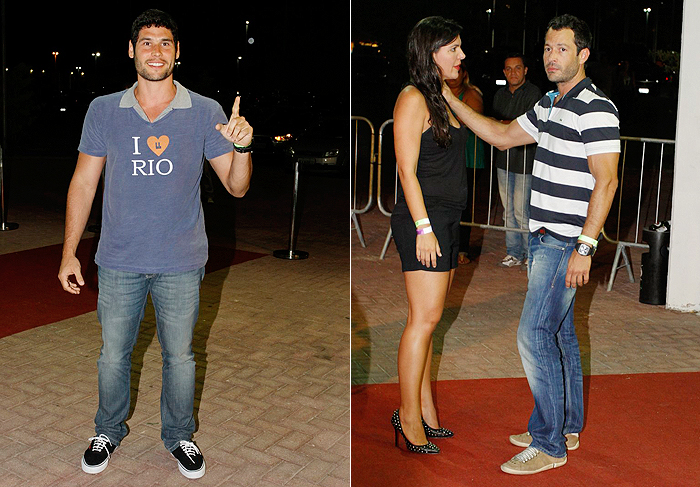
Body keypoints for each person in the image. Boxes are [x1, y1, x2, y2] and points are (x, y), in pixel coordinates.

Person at [57, 9, 253, 479]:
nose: (156, 51)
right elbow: (84, 183)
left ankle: (180, 435)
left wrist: (243, 148)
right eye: (146, 42)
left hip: (181, 260)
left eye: (165, 43)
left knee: (181, 357)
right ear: (131, 50)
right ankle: (107, 429)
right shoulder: (104, 109)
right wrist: (68, 251)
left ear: (177, 52)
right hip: (120, 259)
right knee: (112, 356)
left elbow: (237, 186)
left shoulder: (205, 110)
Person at [443, 14, 619, 474]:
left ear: (582, 54)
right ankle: (565, 426)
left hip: (564, 241)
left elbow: (607, 180)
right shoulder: (548, 103)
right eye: (547, 48)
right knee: (559, 335)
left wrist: (585, 247)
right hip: (541, 238)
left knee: (532, 334)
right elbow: (502, 136)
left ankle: (548, 444)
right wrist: (450, 98)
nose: (550, 56)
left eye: (561, 48)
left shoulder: (596, 107)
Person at [389, 16, 468, 454]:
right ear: (430, 51)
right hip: (425, 221)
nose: (461, 55)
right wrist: (423, 227)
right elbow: (406, 169)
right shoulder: (412, 97)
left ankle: (426, 410)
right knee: (423, 320)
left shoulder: (443, 96)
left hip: (448, 219)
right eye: (453, 47)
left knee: (431, 320)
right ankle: (408, 417)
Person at [491, 54, 542, 267]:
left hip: (525, 161)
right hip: (504, 160)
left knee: (522, 211)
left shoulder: (533, 93)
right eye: (509, 69)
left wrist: (503, 125)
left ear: (526, 70)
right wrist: (505, 125)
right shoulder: (499, 94)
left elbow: (526, 125)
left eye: (517, 68)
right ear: (504, 72)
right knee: (508, 210)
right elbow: (495, 123)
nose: (513, 73)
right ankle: (513, 252)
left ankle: (531, 254)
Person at [445, 60, 485, 265]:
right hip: (447, 157)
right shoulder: (438, 92)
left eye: (458, 71)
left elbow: (471, 121)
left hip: (468, 156)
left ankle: (462, 248)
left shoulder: (471, 94)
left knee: (464, 204)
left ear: (464, 74)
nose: (454, 75)